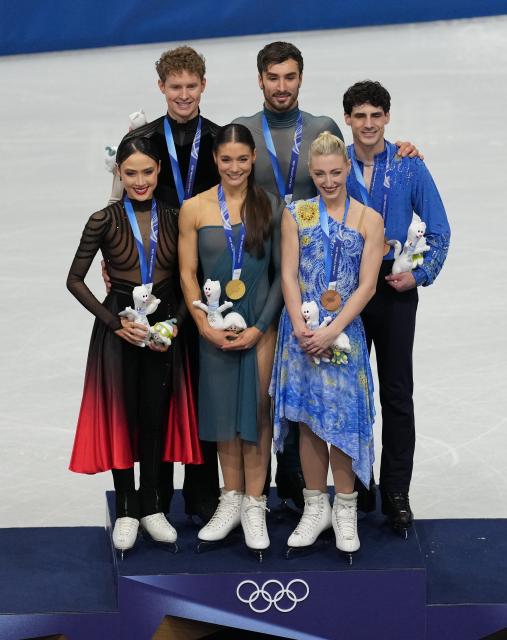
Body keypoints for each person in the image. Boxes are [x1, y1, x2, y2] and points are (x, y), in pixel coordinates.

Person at [234, 40, 419, 509]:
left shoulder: (321, 128)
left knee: (342, 388)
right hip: (265, 275)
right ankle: (276, 493)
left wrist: (398, 151)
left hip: (330, 280)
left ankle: (341, 492)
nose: (281, 86)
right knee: (279, 386)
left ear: (300, 78)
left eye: (289, 76)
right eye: (272, 77)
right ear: (260, 79)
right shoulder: (242, 132)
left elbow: (356, 165)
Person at [67, 136, 202, 555]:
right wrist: (113, 323)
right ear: (119, 174)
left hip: (162, 328)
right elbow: (74, 279)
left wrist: (174, 325)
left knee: (155, 415)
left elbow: (186, 280)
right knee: (122, 416)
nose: (140, 181)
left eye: (147, 172)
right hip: (119, 328)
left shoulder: (177, 216)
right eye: (130, 173)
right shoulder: (103, 220)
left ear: (159, 170)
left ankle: (153, 506)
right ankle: (126, 507)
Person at [106, 46, 221, 523]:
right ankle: (155, 499)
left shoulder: (216, 138)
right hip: (157, 283)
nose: (184, 95)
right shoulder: (145, 138)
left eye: (191, 86)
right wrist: (115, 255)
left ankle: (202, 496)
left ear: (203, 86)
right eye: (175, 87)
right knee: (160, 387)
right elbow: (118, 197)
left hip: (209, 279)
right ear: (161, 88)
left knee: (202, 384)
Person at [343, 80, 450, 535]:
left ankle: (396, 492)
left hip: (393, 287)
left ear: (387, 117)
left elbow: (441, 230)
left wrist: (418, 275)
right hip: (344, 289)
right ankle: (356, 486)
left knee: (395, 393)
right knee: (349, 393)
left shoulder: (409, 166)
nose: (368, 124)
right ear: (347, 119)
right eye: (359, 115)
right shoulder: (333, 164)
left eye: (376, 115)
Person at [270, 132, 383, 556]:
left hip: (343, 333)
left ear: (347, 168)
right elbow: (288, 274)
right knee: (311, 421)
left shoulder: (370, 220)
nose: (329, 180)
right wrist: (301, 323)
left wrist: (333, 330)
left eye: (336, 172)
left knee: (344, 419)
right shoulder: (295, 214)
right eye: (320, 174)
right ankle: (315, 507)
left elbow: (368, 285)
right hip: (301, 331)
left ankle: (346, 510)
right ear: (311, 174)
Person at [178, 123, 284, 554]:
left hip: (261, 327)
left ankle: (256, 504)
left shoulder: (272, 208)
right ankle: (231, 500)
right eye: (227, 160)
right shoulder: (195, 208)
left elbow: (282, 276)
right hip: (215, 327)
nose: (235, 167)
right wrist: (201, 323)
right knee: (225, 416)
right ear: (215, 161)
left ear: (253, 158)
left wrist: (261, 326)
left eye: (243, 159)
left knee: (256, 414)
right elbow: (187, 273)